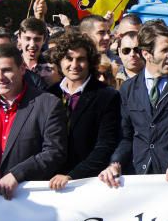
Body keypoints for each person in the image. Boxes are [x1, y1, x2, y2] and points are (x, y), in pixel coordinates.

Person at [100, 23, 168, 186]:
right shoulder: (128, 88)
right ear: (146, 54)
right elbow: (126, 137)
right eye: (165, 50)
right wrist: (115, 163)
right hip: (138, 176)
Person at [0, 45, 67, 201]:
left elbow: (54, 152)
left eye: (6, 70)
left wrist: (18, 174)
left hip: (27, 200)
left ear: (22, 69)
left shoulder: (48, 104)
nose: (0, 77)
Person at [46, 33, 120, 189]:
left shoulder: (107, 96)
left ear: (90, 62)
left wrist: (72, 176)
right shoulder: (49, 94)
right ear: (60, 60)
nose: (74, 65)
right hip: (49, 181)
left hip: (87, 183)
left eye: (80, 59)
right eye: (69, 58)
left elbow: (105, 146)